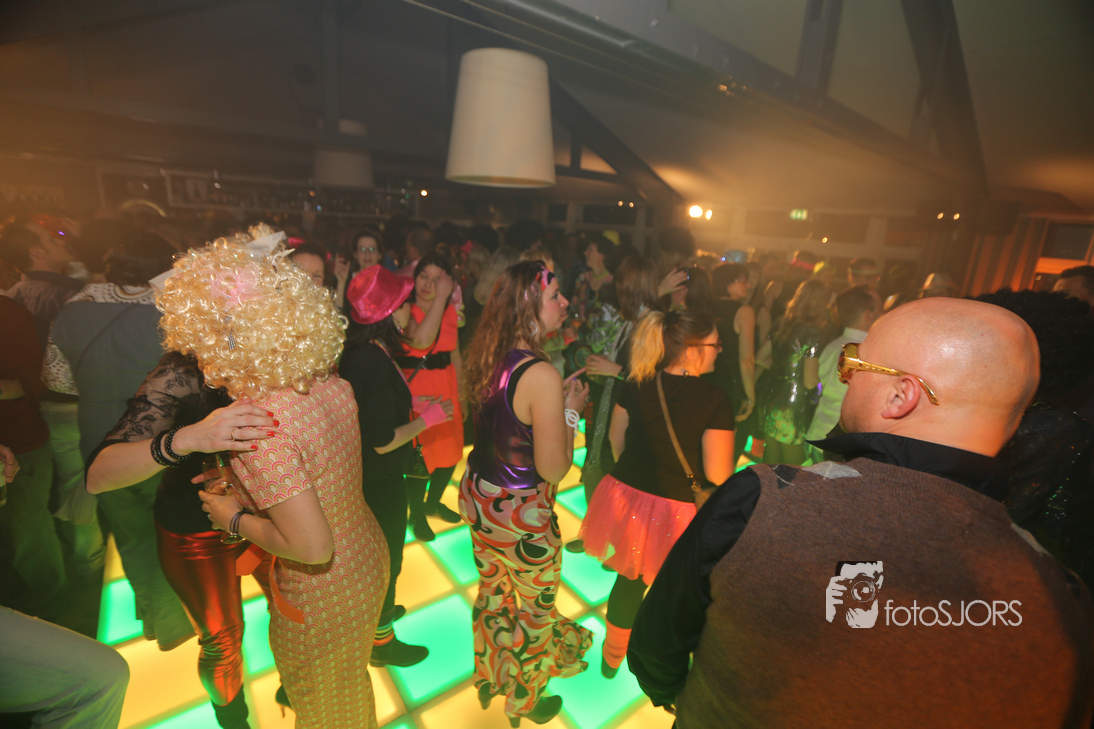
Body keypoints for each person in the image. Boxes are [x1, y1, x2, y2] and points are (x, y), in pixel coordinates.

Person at [629, 297, 1094, 727]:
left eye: (854, 363)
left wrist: (684, 699)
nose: (844, 376)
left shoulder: (762, 499)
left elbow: (656, 646)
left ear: (901, 396)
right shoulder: (1063, 602)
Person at [169, 231, 387, 729]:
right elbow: (318, 471)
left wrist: (233, 517)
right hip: (365, 560)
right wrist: (242, 480)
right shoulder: (327, 381)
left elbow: (311, 546)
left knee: (326, 714)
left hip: (323, 594)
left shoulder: (257, 426)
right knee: (348, 690)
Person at [460, 260, 594, 726]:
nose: (565, 302)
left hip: (478, 496)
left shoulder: (488, 352)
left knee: (493, 592)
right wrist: (571, 413)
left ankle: (491, 674)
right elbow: (553, 468)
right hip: (520, 517)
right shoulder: (541, 374)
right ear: (528, 305)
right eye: (555, 295)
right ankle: (525, 701)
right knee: (536, 613)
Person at [45, 230, 185, 638]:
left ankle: (160, 621)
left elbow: (56, 379)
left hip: (99, 442)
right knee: (175, 533)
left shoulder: (72, 311)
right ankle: (188, 619)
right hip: (165, 442)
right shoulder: (178, 314)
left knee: (132, 538)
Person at [580, 309, 734, 679]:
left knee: (629, 579)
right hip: (678, 511)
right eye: (715, 344)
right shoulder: (714, 399)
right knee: (674, 592)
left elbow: (616, 439)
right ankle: (658, 669)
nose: (720, 350)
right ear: (692, 351)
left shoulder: (638, 382)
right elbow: (718, 474)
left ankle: (612, 656)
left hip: (626, 497)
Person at [341, 264, 454, 668]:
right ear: (389, 313)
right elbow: (382, 440)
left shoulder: (364, 352)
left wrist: (413, 406)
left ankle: (379, 614)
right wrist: (427, 421)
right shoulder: (371, 360)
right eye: (405, 303)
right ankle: (381, 640)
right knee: (387, 557)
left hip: (366, 476)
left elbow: (373, 410)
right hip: (378, 478)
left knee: (378, 556)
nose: (411, 309)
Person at [397, 252, 464, 539]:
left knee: (450, 456)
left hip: (446, 389)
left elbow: (455, 354)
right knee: (421, 460)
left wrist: (462, 393)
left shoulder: (449, 312)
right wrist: (441, 297)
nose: (428, 284)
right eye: (424, 276)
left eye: (437, 280)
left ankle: (432, 502)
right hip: (419, 395)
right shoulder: (405, 310)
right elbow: (419, 340)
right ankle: (416, 513)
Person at [755, 278, 830, 466]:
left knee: (771, 460)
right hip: (794, 403)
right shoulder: (815, 334)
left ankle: (765, 487)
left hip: (772, 395)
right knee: (793, 467)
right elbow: (810, 381)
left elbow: (760, 358)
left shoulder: (782, 324)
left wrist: (782, 368)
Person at [804, 285, 881, 460]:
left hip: (818, 433)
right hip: (839, 445)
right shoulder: (867, 353)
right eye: (880, 311)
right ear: (868, 315)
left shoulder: (833, 346)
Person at [706, 263, 758, 464]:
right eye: (743, 281)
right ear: (728, 285)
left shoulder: (705, 306)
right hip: (732, 389)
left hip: (706, 383)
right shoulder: (744, 311)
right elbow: (747, 359)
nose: (748, 285)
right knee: (728, 454)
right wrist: (750, 398)